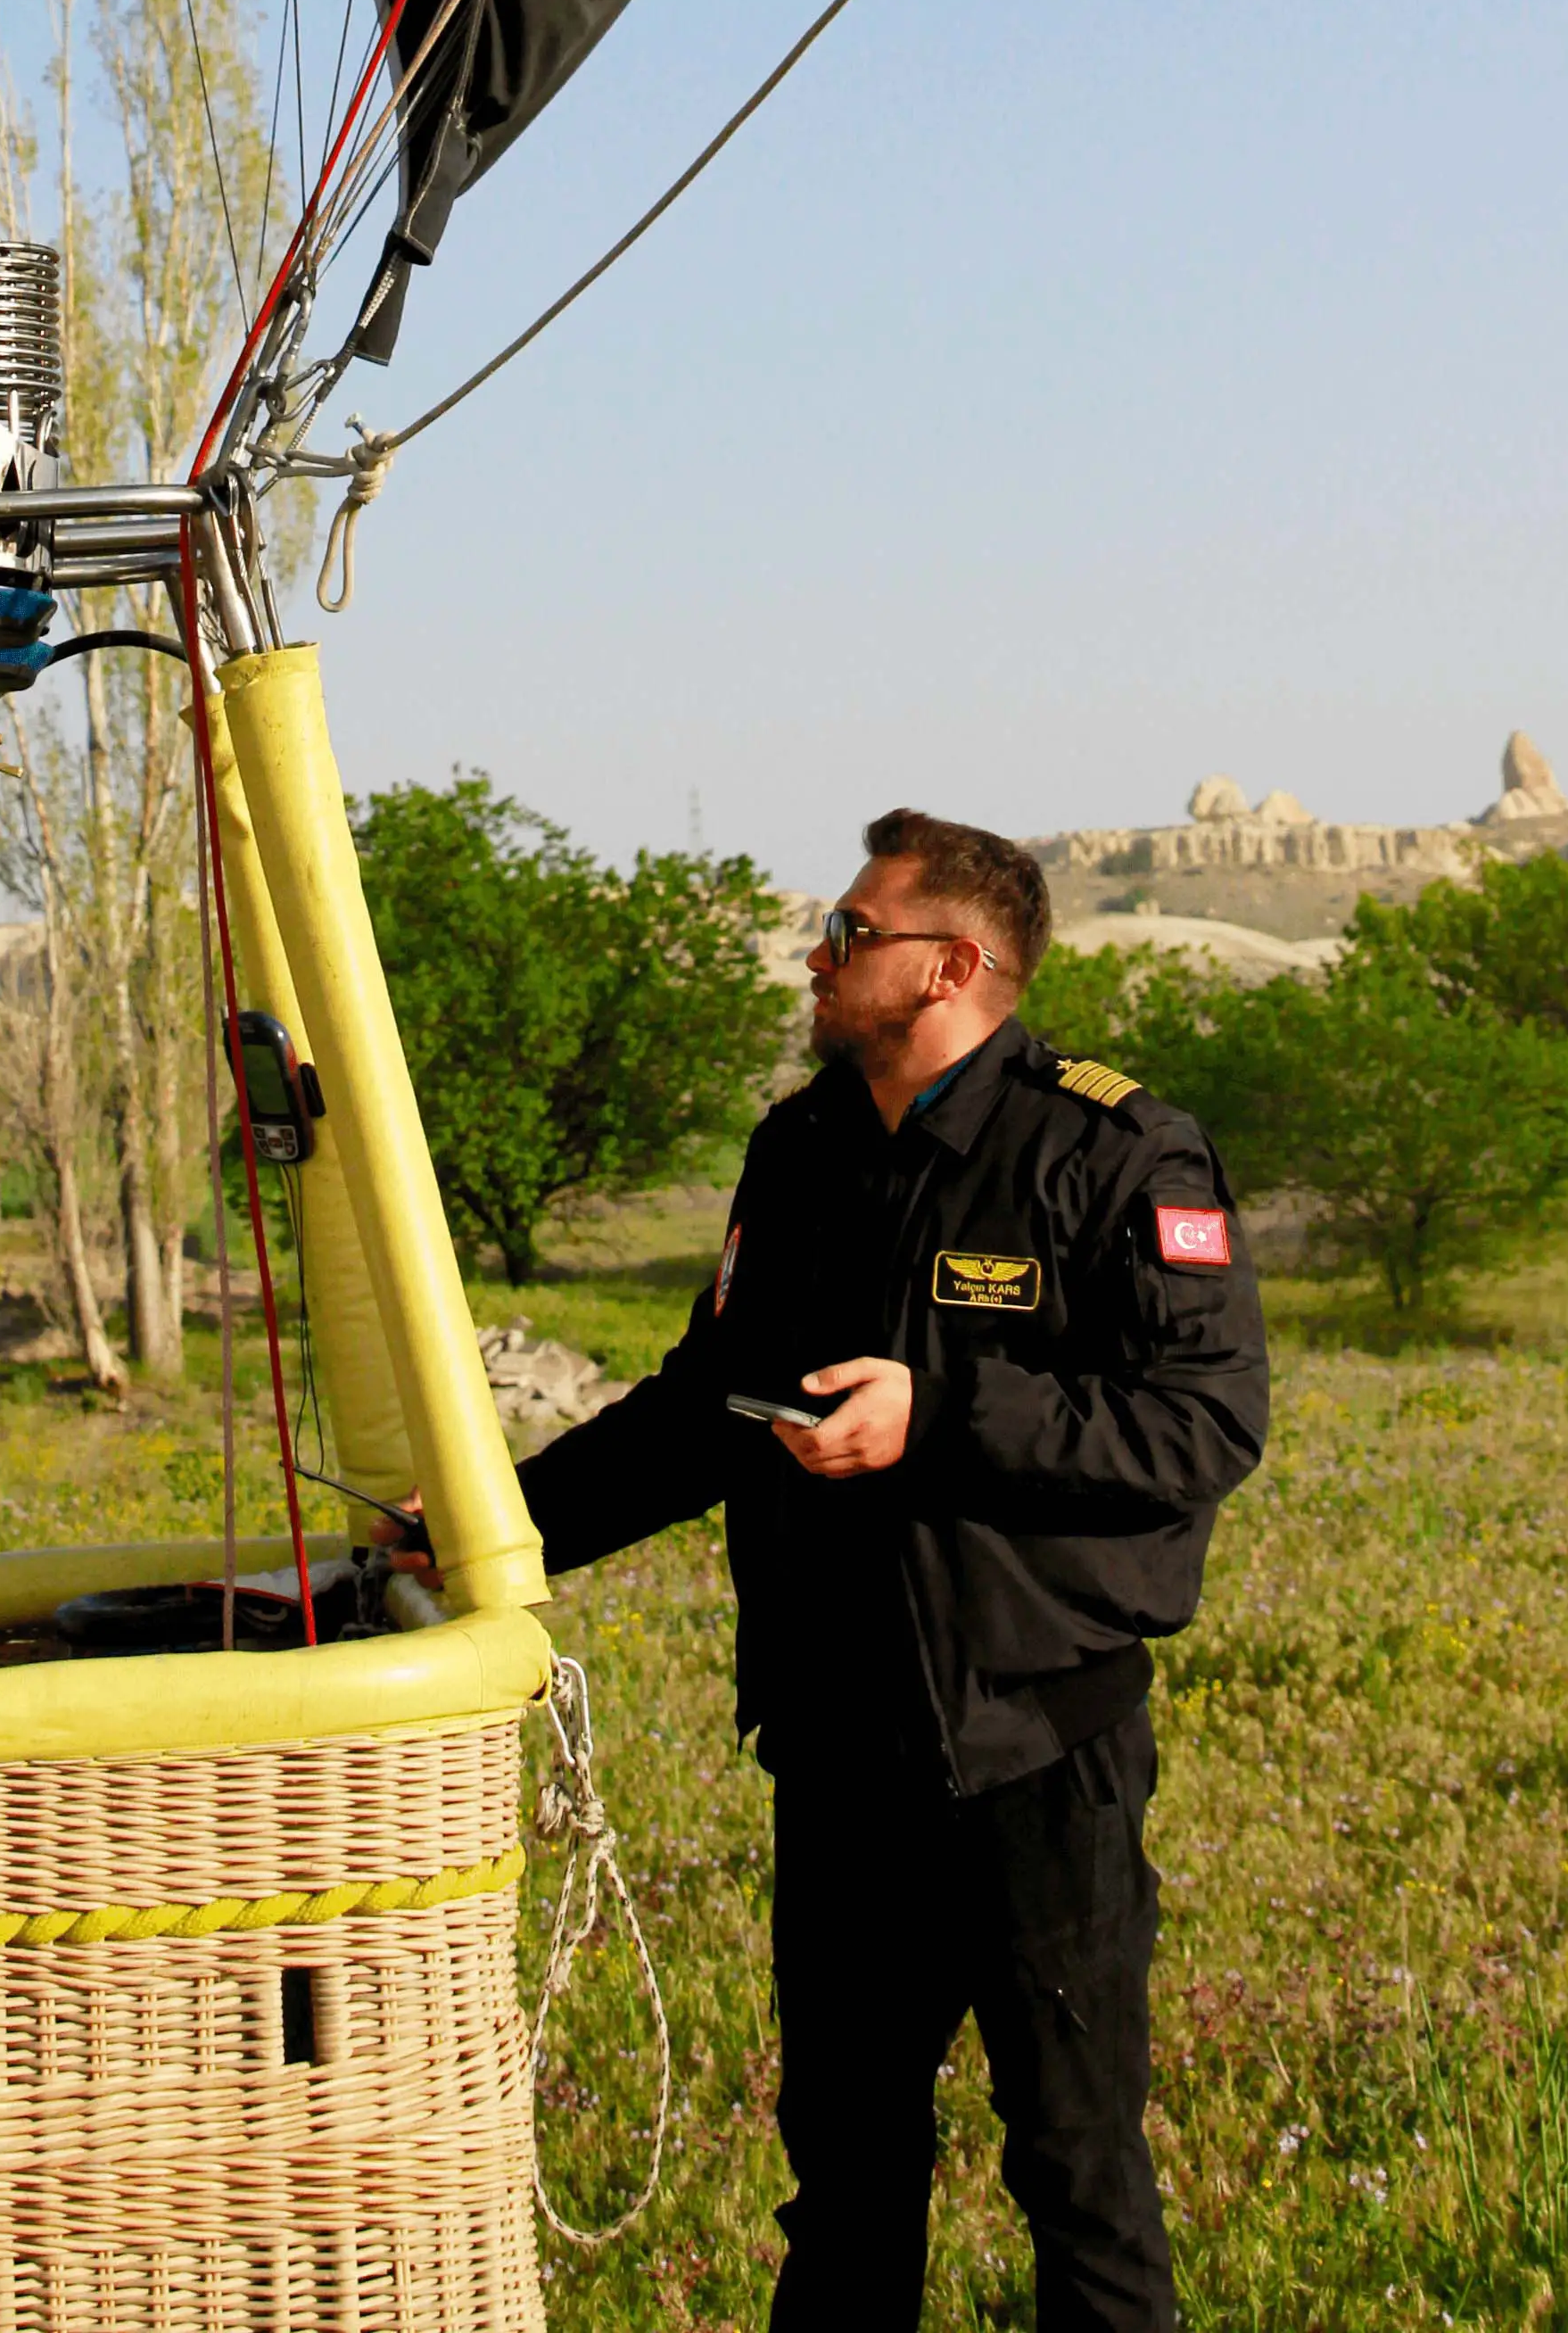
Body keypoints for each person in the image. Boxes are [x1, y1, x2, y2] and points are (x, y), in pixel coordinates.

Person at [503, 807, 1265, 2333]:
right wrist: (485, 1528)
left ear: (953, 963)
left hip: (1035, 1745)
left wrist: (941, 1410)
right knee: (844, 2175)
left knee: (1077, 2169)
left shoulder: (1114, 1147)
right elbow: (701, 1406)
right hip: (840, 1748)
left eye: (852, 931)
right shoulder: (801, 1147)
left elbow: (1201, 1422)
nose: (818, 951)